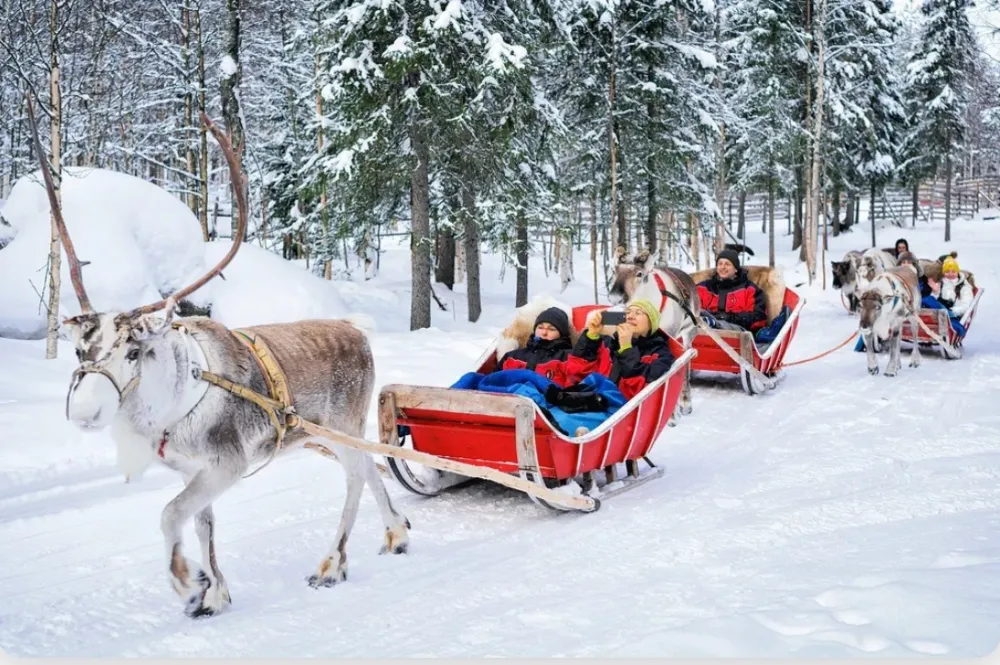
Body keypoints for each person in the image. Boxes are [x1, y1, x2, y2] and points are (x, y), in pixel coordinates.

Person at [567, 300, 675, 400]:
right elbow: (576, 372)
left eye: (638, 313)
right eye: (627, 312)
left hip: (617, 408)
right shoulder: (607, 343)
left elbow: (642, 392)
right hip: (586, 400)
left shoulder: (660, 354)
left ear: (652, 323)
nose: (630, 316)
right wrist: (591, 335)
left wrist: (626, 348)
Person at [494, 307, 574, 385]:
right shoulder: (512, 356)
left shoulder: (569, 358)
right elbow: (492, 381)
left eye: (551, 329)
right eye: (540, 327)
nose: (544, 333)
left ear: (562, 334)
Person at [696, 249, 767, 333]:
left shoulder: (750, 289)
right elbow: (692, 309)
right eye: (720, 264)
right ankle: (710, 323)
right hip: (703, 332)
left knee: (719, 325)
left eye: (727, 264)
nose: (723, 267)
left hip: (738, 333)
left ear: (736, 269)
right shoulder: (703, 288)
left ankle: (714, 324)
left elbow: (759, 318)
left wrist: (731, 318)